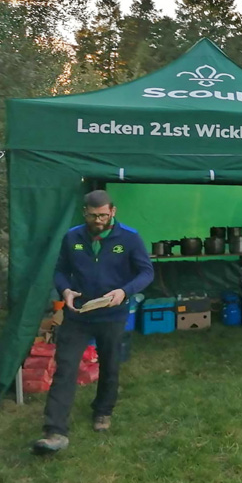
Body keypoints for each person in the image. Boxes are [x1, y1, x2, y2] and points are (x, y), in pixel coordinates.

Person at [33, 190, 153, 455]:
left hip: (112, 313)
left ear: (113, 211)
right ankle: (54, 431)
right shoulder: (72, 236)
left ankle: (103, 410)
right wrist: (65, 291)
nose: (97, 220)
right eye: (92, 215)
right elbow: (61, 270)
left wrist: (125, 291)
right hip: (79, 313)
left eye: (102, 215)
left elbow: (146, 272)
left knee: (110, 364)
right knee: (65, 368)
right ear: (84, 212)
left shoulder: (130, 238)